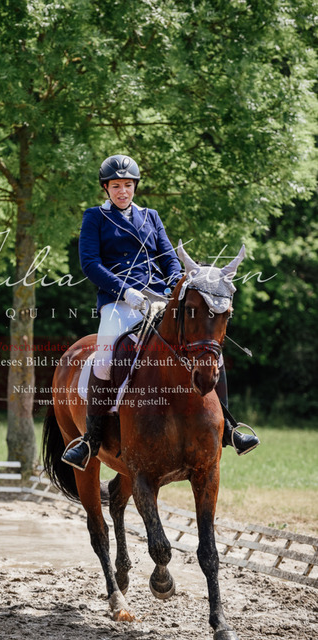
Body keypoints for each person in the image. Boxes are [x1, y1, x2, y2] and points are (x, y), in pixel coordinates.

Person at [62, 154, 259, 470]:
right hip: (118, 302)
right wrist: (125, 291)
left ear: (135, 186)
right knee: (105, 359)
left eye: (128, 185)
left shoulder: (150, 216)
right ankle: (91, 440)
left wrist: (174, 288)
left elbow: (168, 257)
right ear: (106, 188)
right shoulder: (95, 217)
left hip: (159, 299)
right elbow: (90, 264)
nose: (123, 191)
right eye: (116, 186)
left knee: (210, 351)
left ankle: (230, 429)